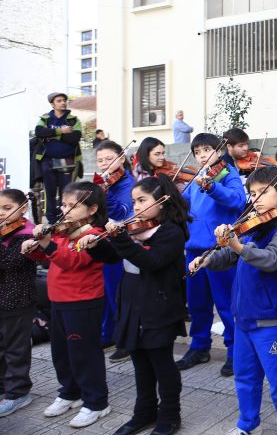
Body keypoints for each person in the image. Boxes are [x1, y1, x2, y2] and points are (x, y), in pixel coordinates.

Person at [189, 166, 277, 435]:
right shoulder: (253, 225)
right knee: (245, 378)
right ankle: (248, 425)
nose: (256, 198)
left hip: (272, 320)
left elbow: (272, 260)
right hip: (243, 318)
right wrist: (207, 259)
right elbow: (229, 256)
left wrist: (238, 246)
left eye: (263, 192)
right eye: (252, 193)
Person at [80, 175, 190, 435]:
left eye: (142, 200)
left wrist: (121, 239)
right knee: (140, 362)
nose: (137, 207)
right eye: (134, 201)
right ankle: (144, 412)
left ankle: (170, 415)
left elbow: (150, 261)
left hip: (159, 305)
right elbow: (110, 257)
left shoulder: (171, 232)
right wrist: (94, 246)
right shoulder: (135, 229)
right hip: (132, 302)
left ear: (161, 202)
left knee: (162, 363)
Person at [21, 182, 112, 428]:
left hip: (83, 301)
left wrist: (47, 244)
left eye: (73, 206)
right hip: (58, 300)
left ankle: (96, 402)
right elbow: (50, 257)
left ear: (92, 209)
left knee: (85, 354)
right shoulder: (62, 231)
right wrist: (34, 249)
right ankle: (70, 392)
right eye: (64, 204)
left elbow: (72, 261)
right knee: (60, 351)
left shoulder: (92, 235)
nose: (66, 210)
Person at [178, 133, 245, 376]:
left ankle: (235, 350)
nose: (202, 155)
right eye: (197, 151)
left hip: (219, 250)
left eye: (207, 150)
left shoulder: (226, 174)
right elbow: (183, 205)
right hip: (194, 249)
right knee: (197, 303)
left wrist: (212, 186)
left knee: (226, 304)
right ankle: (199, 346)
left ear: (219, 150)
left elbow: (238, 200)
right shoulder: (198, 176)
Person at [94, 140, 136, 363]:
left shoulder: (128, 183)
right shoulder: (106, 184)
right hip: (106, 243)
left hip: (122, 244)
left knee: (119, 295)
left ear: (122, 159)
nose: (104, 164)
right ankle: (108, 334)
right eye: (100, 160)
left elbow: (121, 213)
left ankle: (126, 340)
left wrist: (105, 194)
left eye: (109, 159)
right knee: (107, 293)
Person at [0, 189, 37, 418]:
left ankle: (18, 392)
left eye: (6, 208)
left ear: (23, 208)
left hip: (18, 299)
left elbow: (8, 263)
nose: (1, 213)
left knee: (15, 348)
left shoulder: (27, 234)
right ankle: (3, 386)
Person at [34, 92, 83, 222]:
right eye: (59, 101)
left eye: (64, 100)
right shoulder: (45, 119)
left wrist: (52, 135)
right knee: (49, 192)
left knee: (66, 192)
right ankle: (51, 220)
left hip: (67, 161)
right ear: (52, 104)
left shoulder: (73, 119)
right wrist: (61, 131)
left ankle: (65, 219)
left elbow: (74, 138)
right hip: (47, 161)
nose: (63, 103)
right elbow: (39, 132)